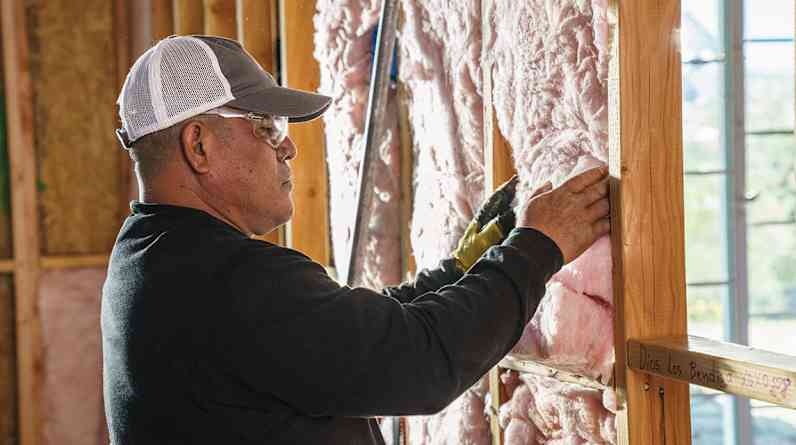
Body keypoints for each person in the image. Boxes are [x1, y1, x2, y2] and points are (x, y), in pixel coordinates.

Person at [102, 35, 610, 445]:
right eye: (264, 126)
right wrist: (539, 245)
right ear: (199, 145)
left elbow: (350, 335)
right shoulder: (229, 282)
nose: (288, 147)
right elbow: (418, 363)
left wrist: (463, 267)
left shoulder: (150, 256)